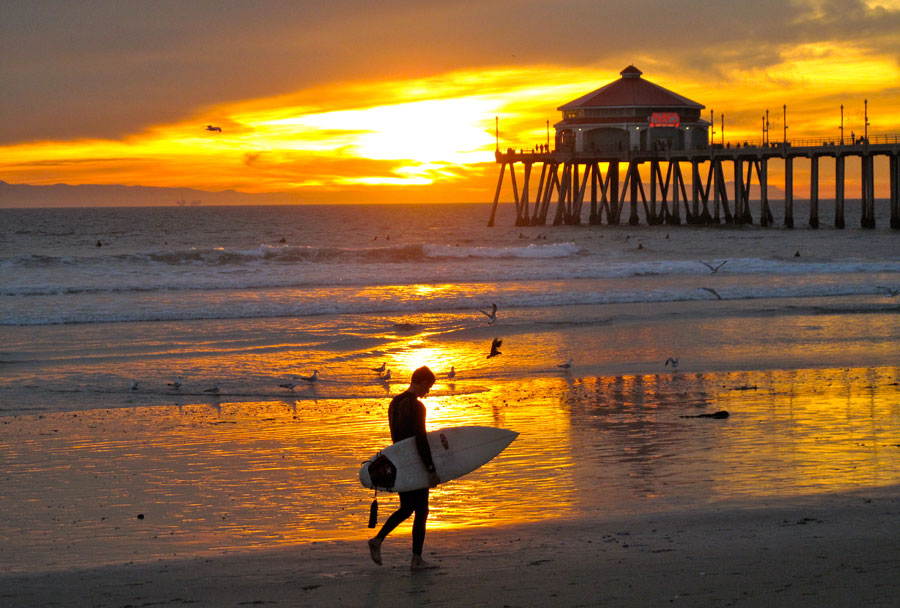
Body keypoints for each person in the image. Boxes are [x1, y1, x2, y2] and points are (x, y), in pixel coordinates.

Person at [368, 366, 440, 570]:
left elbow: (397, 438)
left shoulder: (394, 402)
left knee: (408, 508)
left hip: (398, 463)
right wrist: (430, 468)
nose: (428, 391)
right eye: (429, 386)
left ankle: (378, 540)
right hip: (415, 463)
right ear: (423, 382)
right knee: (422, 510)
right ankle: (416, 559)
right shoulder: (417, 407)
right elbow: (420, 440)